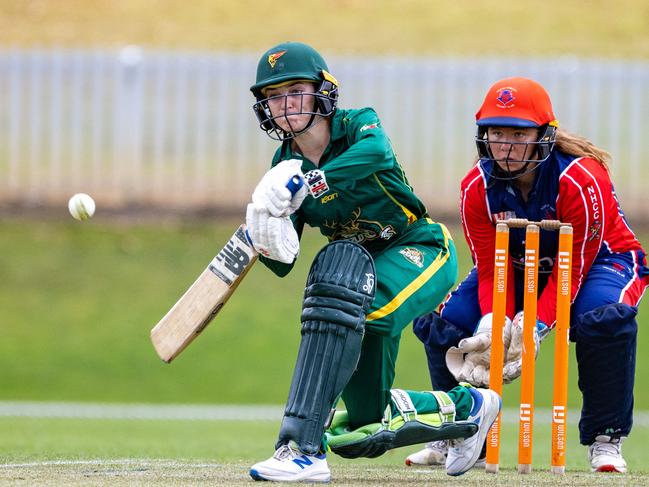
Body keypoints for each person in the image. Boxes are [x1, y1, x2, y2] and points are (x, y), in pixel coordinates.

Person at [243, 41, 501, 482]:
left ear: (323, 91)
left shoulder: (358, 123)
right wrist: (265, 232)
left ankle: (305, 442)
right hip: (357, 273)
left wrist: (313, 182)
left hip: (419, 248)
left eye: (294, 91)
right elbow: (286, 263)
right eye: (273, 96)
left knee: (359, 307)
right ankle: (471, 408)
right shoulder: (283, 162)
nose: (284, 105)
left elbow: (376, 154)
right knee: (366, 421)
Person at [408, 76, 648, 473]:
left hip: (601, 261)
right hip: (517, 267)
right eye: (496, 133)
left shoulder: (580, 179)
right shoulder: (476, 187)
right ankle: (461, 431)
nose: (505, 145)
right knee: (443, 323)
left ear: (544, 136)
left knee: (603, 320)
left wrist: (535, 324)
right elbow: (488, 266)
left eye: (519, 133)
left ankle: (606, 439)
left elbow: (575, 267)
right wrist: (492, 321)